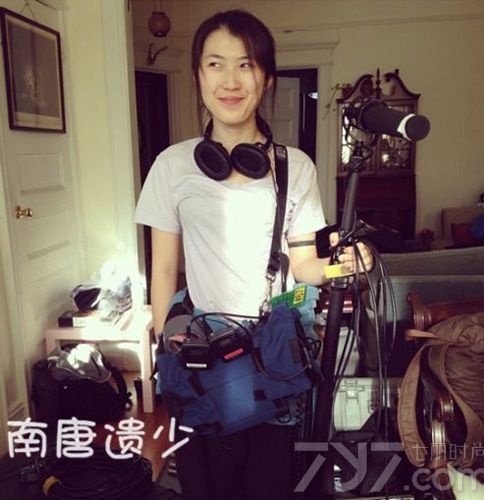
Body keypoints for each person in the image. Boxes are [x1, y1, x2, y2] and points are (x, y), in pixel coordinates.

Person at [135, 9, 372, 500]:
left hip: (273, 356)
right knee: (206, 484)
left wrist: (340, 265)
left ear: (266, 78)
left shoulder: (295, 167)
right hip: (201, 354)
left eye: (245, 65)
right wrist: (168, 348)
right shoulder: (172, 166)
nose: (230, 80)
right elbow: (163, 267)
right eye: (215, 64)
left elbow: (303, 265)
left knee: (270, 482)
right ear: (198, 75)